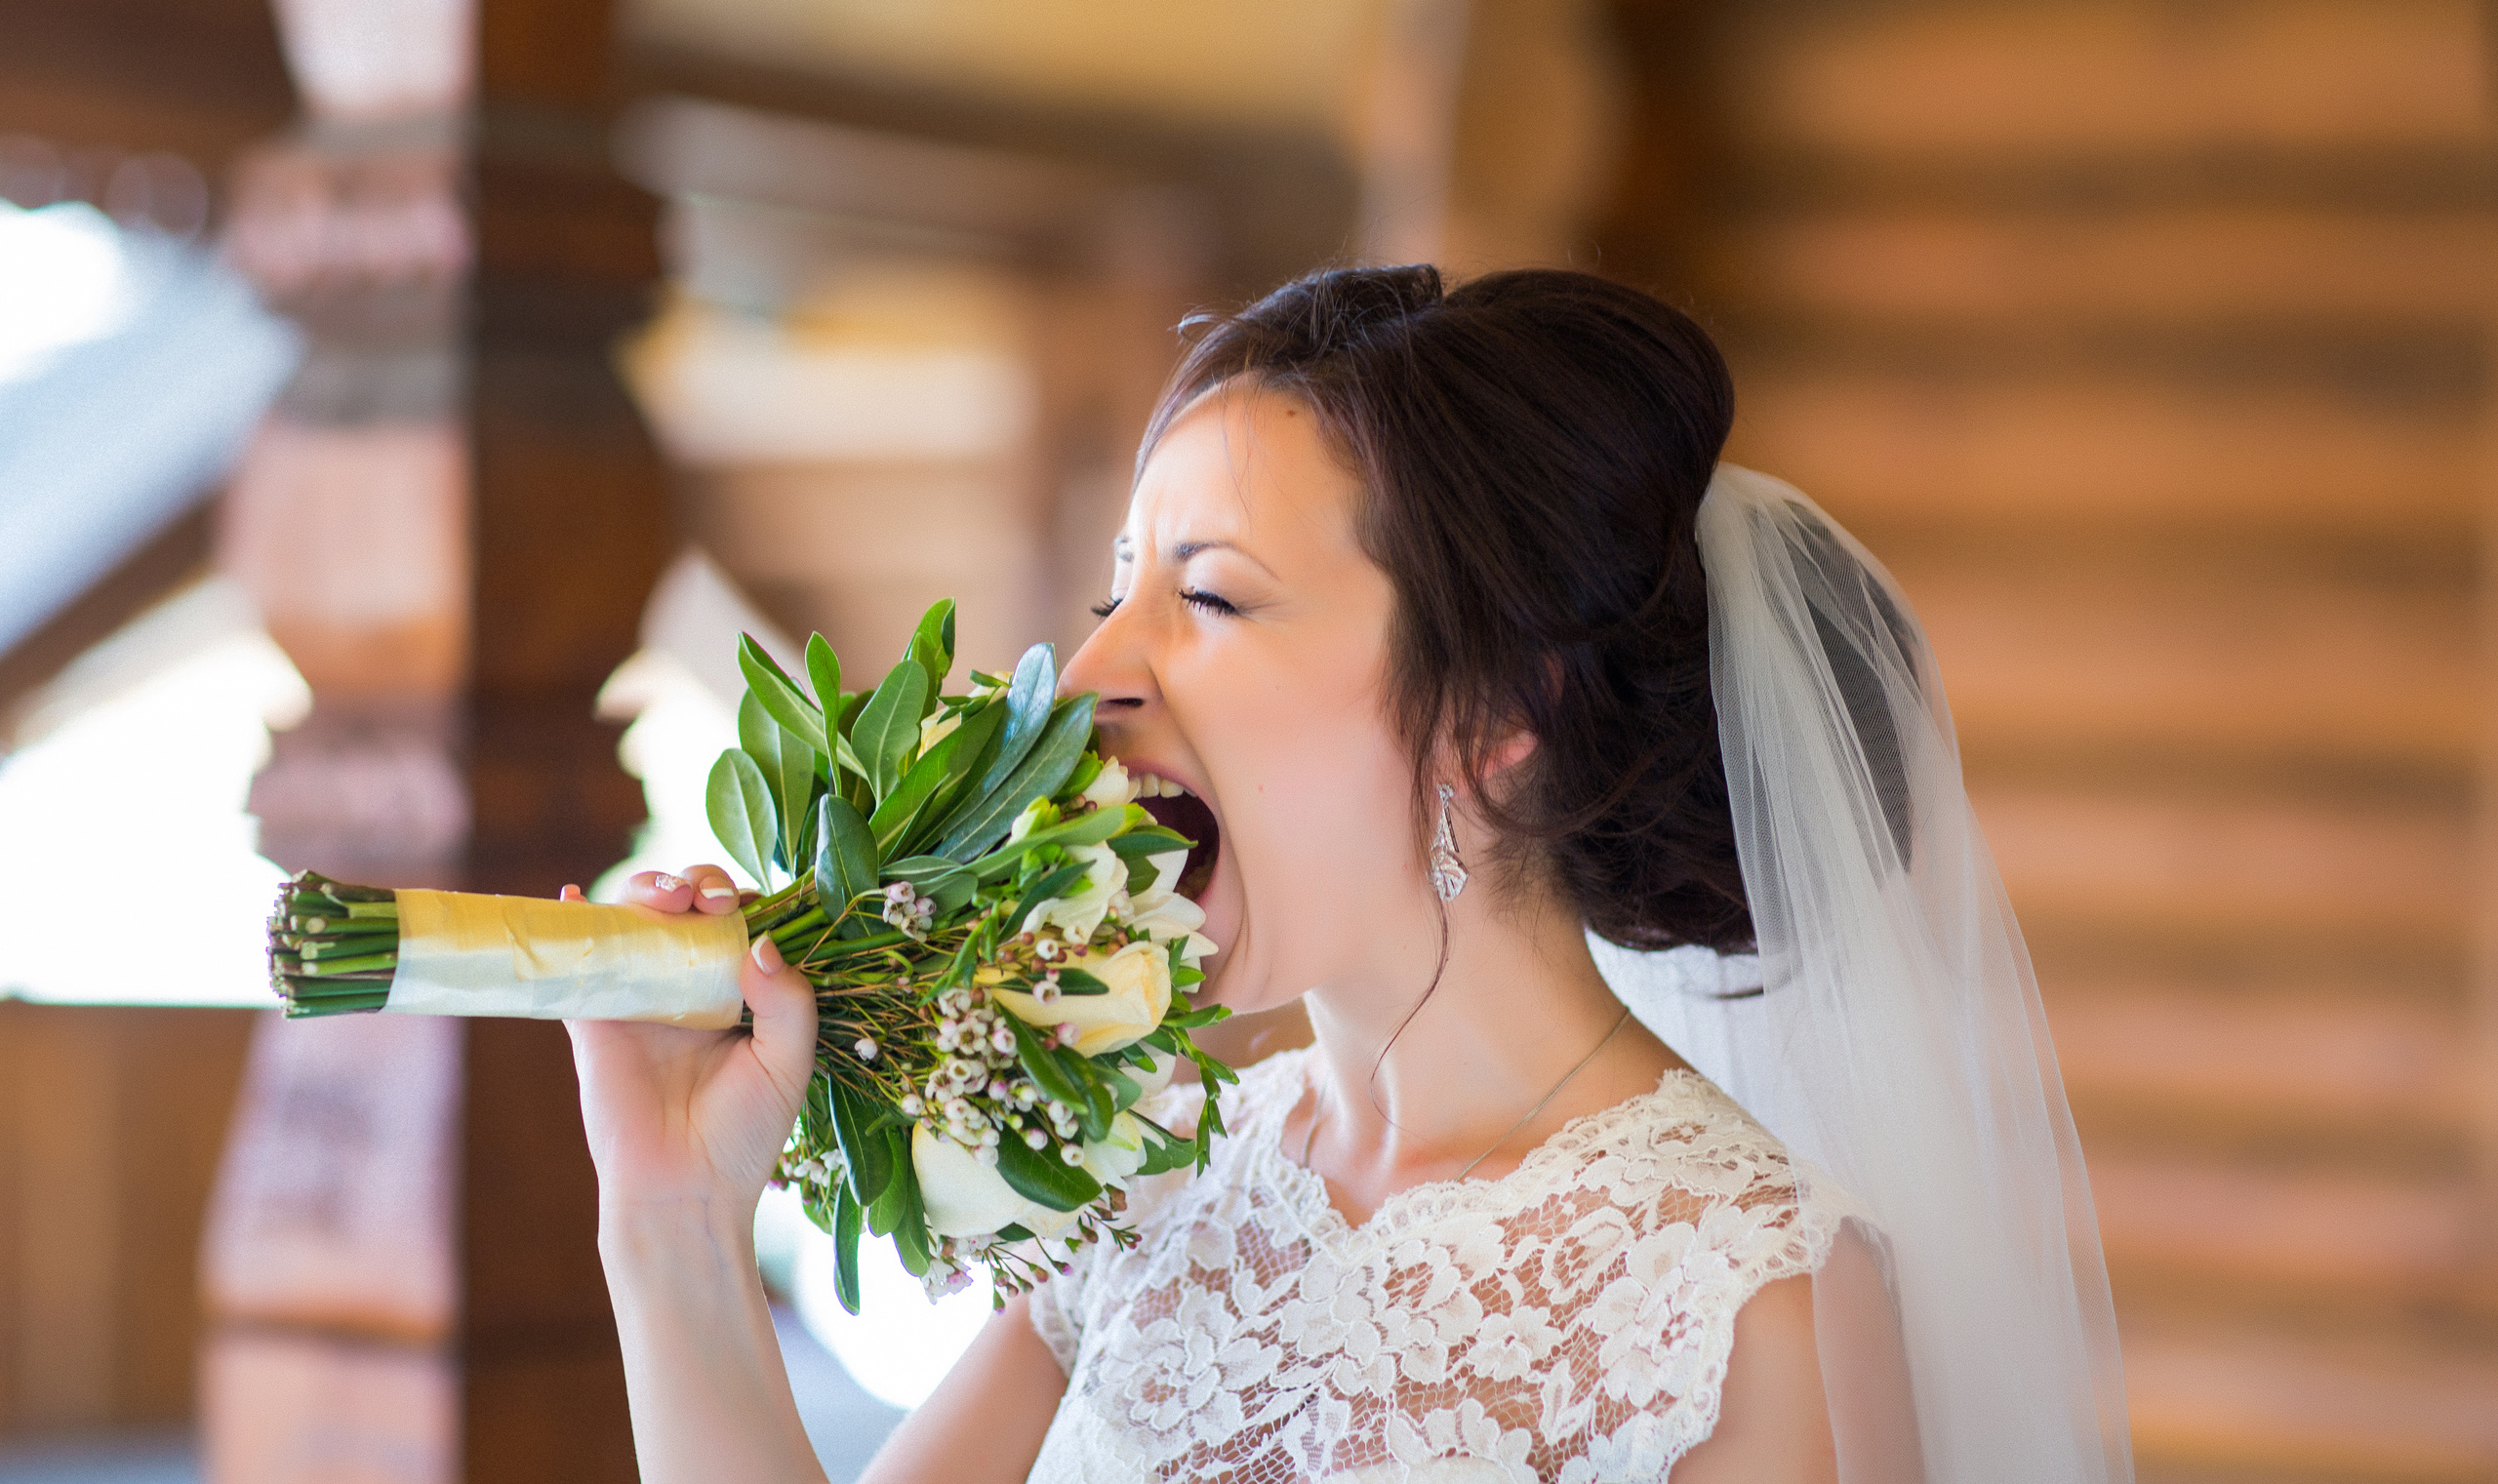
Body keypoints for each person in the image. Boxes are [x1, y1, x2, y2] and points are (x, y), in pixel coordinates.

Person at [566, 266, 2133, 1482]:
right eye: (1117, 594)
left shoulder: (1746, 1296)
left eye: (1213, 600)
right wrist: (673, 1218)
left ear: (1498, 715)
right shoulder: (1160, 1184)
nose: (1084, 677)